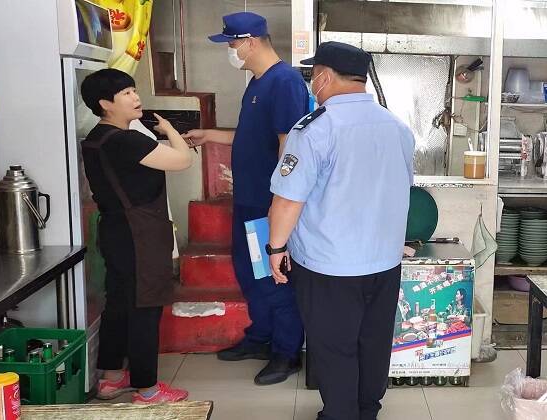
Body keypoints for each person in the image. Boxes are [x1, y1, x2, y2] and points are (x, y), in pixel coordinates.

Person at [267, 42, 415, 420]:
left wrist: (276, 249)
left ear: (324, 76)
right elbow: (400, 189)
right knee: (373, 343)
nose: (312, 82)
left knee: (334, 348)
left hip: (329, 267)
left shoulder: (315, 129)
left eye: (312, 74)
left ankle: (340, 414)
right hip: (384, 263)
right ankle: (367, 411)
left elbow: (287, 201)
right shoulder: (397, 127)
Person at [182, 12, 309, 385]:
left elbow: (288, 146)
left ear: (251, 42)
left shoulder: (284, 82)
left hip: (269, 202)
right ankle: (260, 338)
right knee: (251, 274)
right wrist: (210, 135)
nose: (231, 50)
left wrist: (280, 202)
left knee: (275, 277)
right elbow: (253, 136)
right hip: (248, 200)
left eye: (232, 43)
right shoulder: (257, 82)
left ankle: (286, 353)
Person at [80, 68, 192, 404]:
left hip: (115, 230)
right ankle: (147, 389)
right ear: (105, 104)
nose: (135, 97)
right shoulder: (126, 140)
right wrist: (170, 130)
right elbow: (183, 160)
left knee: (118, 302)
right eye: (126, 93)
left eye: (133, 90)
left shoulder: (96, 137)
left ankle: (112, 377)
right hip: (139, 235)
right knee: (145, 306)